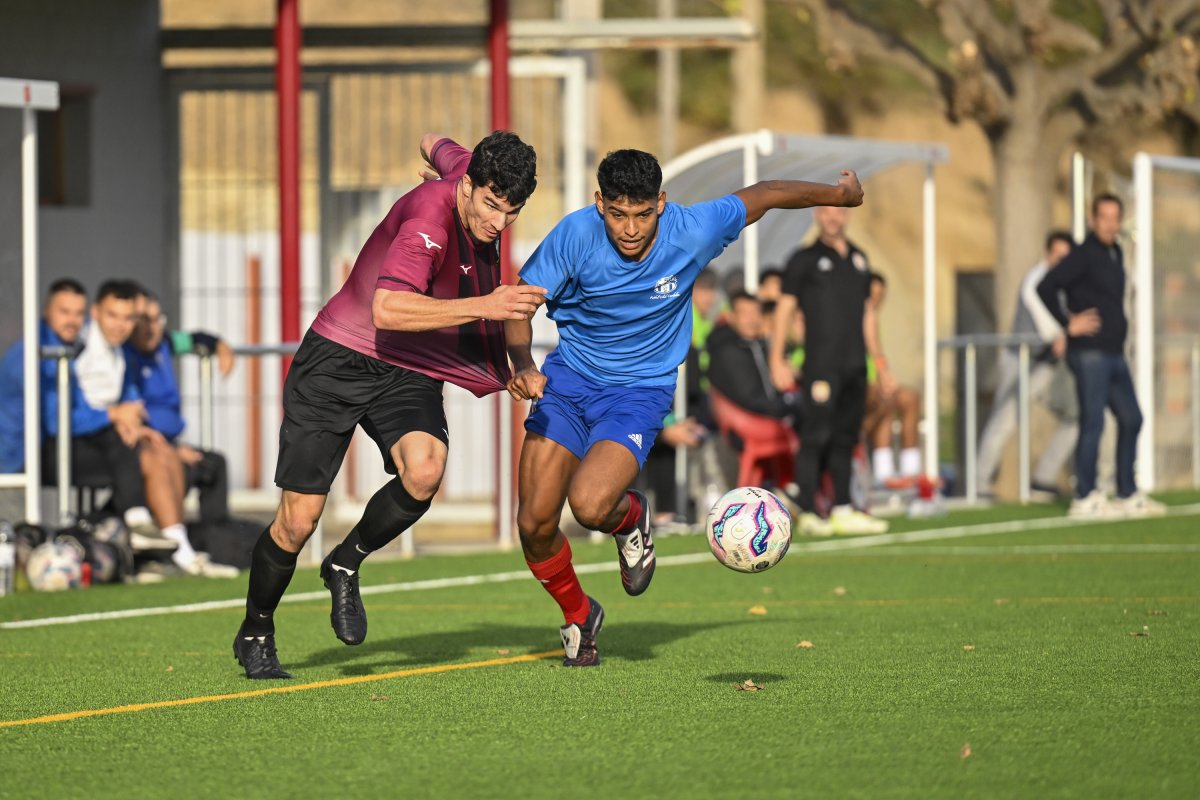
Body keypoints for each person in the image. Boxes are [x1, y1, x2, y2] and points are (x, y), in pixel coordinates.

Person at [505, 148, 864, 666]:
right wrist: (521, 363)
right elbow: (521, 301)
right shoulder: (574, 235)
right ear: (599, 202)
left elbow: (764, 194)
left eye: (643, 214)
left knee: (588, 506)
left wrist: (839, 195)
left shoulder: (692, 228)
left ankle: (631, 519)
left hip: (639, 392)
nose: (630, 229)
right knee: (534, 523)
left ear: (662, 204)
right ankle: (580, 616)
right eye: (618, 214)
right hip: (566, 383)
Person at [232, 130, 542, 680]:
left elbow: (431, 139)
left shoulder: (469, 171)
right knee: (299, 519)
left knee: (424, 472)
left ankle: (345, 562)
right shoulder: (428, 218)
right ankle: (257, 627)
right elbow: (389, 309)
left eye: (511, 212)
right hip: (338, 360)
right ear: (467, 186)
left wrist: (442, 159)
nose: (499, 224)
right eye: (491, 206)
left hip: (406, 366)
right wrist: (488, 306)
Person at [1036, 194, 1165, 519]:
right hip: (1090, 353)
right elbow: (1046, 286)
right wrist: (1068, 322)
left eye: (1115, 218)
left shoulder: (1114, 251)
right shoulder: (1084, 254)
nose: (1109, 224)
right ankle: (1085, 496)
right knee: (1093, 422)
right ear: (1093, 220)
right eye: (1104, 217)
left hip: (1113, 351)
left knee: (1132, 417)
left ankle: (1126, 493)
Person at [769, 206, 890, 537]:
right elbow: (785, 310)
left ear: (847, 216)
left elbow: (867, 315)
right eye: (826, 212)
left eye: (838, 212)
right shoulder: (803, 260)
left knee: (846, 437)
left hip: (854, 364)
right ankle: (807, 510)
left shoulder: (859, 260)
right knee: (816, 435)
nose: (833, 218)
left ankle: (842, 508)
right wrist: (777, 358)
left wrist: (879, 362)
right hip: (821, 364)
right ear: (816, 216)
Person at [125, 292, 239, 577]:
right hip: (146, 447)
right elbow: (133, 420)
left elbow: (197, 338)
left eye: (157, 319)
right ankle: (175, 553)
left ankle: (214, 545)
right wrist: (175, 449)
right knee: (170, 461)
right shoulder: (124, 356)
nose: (151, 327)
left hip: (170, 443)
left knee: (213, 463)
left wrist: (221, 346)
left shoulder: (164, 342)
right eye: (143, 320)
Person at [976, 231, 1080, 498]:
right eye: (1058, 257)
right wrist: (1063, 333)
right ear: (1047, 255)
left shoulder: (1066, 284)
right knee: (1004, 420)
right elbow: (1046, 321)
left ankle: (1044, 479)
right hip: (1021, 361)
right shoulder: (1037, 280)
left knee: (1077, 415)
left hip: (1047, 365)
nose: (1062, 263)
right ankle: (979, 483)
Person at [861, 273, 922, 486]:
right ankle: (883, 475)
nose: (876, 300)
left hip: (874, 382)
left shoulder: (872, 319)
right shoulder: (853, 317)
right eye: (872, 295)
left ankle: (911, 472)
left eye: (881, 296)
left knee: (910, 398)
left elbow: (877, 359)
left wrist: (884, 376)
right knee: (885, 400)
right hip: (859, 384)